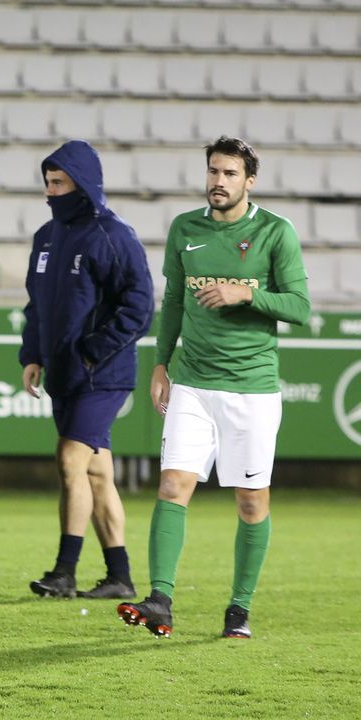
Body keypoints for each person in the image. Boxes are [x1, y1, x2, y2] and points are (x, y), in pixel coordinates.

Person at [118, 136, 310, 640]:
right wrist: (161, 364)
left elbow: (301, 308)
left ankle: (239, 609)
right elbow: (175, 302)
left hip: (251, 389)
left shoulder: (275, 232)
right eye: (213, 171)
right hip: (194, 384)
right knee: (173, 485)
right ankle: (160, 599)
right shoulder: (186, 229)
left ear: (249, 181)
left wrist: (246, 293)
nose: (218, 182)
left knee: (251, 501)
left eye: (229, 174)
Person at [20, 141, 153, 601]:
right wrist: (33, 354)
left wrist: (94, 351)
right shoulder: (47, 237)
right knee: (97, 473)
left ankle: (64, 571)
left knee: (70, 461)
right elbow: (37, 305)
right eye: (47, 183)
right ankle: (120, 575)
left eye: (58, 183)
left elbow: (139, 307)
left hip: (103, 375)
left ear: (82, 183)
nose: (49, 193)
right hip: (64, 374)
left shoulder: (114, 236)